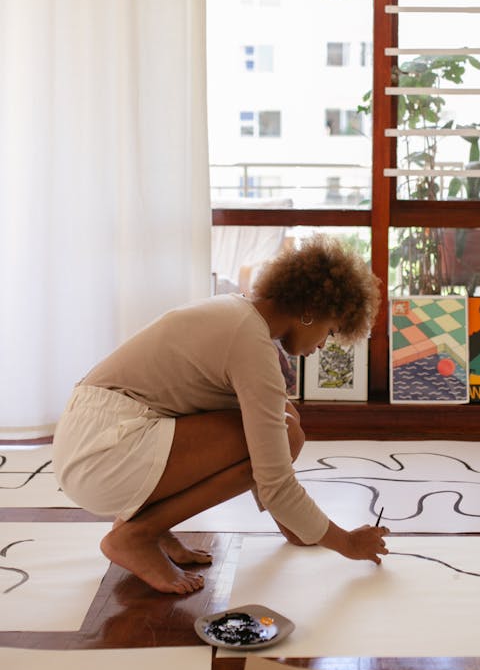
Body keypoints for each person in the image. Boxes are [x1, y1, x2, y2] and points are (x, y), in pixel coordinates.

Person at [52, 235, 390, 595]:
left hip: (94, 441)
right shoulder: (250, 343)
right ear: (310, 311)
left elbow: (269, 459)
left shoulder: (238, 315)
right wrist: (347, 544)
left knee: (283, 418)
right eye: (331, 330)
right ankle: (137, 535)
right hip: (103, 455)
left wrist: (299, 528)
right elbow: (274, 478)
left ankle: (148, 528)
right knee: (285, 431)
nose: (324, 344)